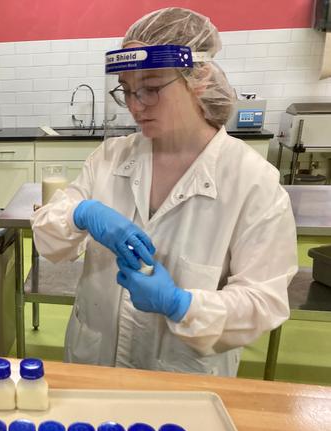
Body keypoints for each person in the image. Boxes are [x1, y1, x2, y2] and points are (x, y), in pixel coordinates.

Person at [32, 7, 297, 376]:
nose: (137, 105)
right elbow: (48, 238)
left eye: (152, 88)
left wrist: (181, 305)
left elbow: (263, 301)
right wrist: (81, 213)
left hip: (184, 380)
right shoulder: (110, 157)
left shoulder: (252, 182)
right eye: (126, 90)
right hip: (95, 366)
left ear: (199, 77)